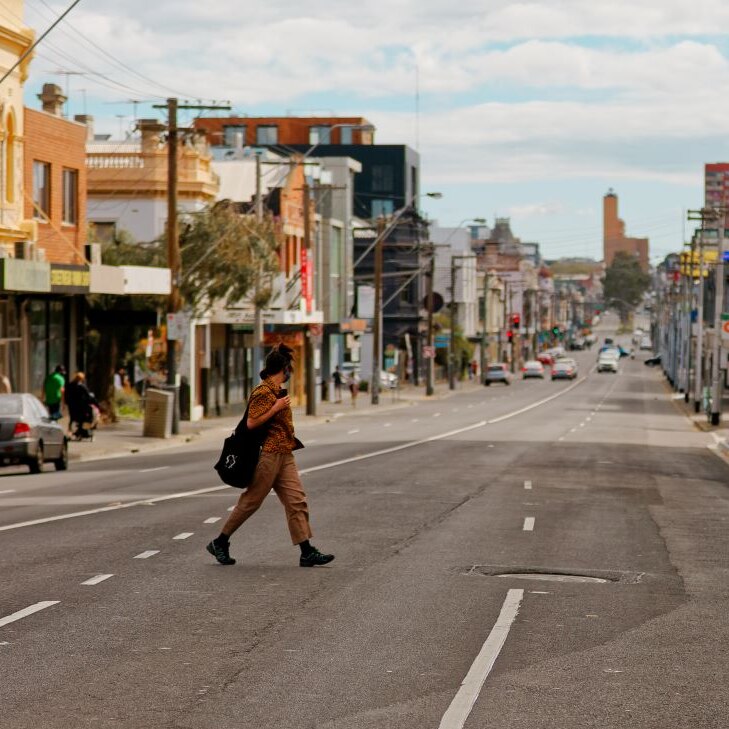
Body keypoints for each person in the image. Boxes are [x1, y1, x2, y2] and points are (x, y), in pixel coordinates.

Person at [206, 344, 334, 568]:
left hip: (285, 453)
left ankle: (306, 551)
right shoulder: (263, 392)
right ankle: (220, 541)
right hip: (267, 454)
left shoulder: (277, 391)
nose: (289, 373)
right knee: (252, 502)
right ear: (282, 369)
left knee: (297, 501)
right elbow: (252, 422)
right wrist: (275, 408)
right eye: (288, 369)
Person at [65, 372, 97, 440]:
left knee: (72, 419)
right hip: (81, 407)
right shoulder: (82, 386)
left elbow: (66, 394)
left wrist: (67, 402)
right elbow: (88, 395)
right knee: (83, 418)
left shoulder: (69, 385)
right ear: (82, 379)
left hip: (72, 406)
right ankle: (81, 432)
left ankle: (69, 432)